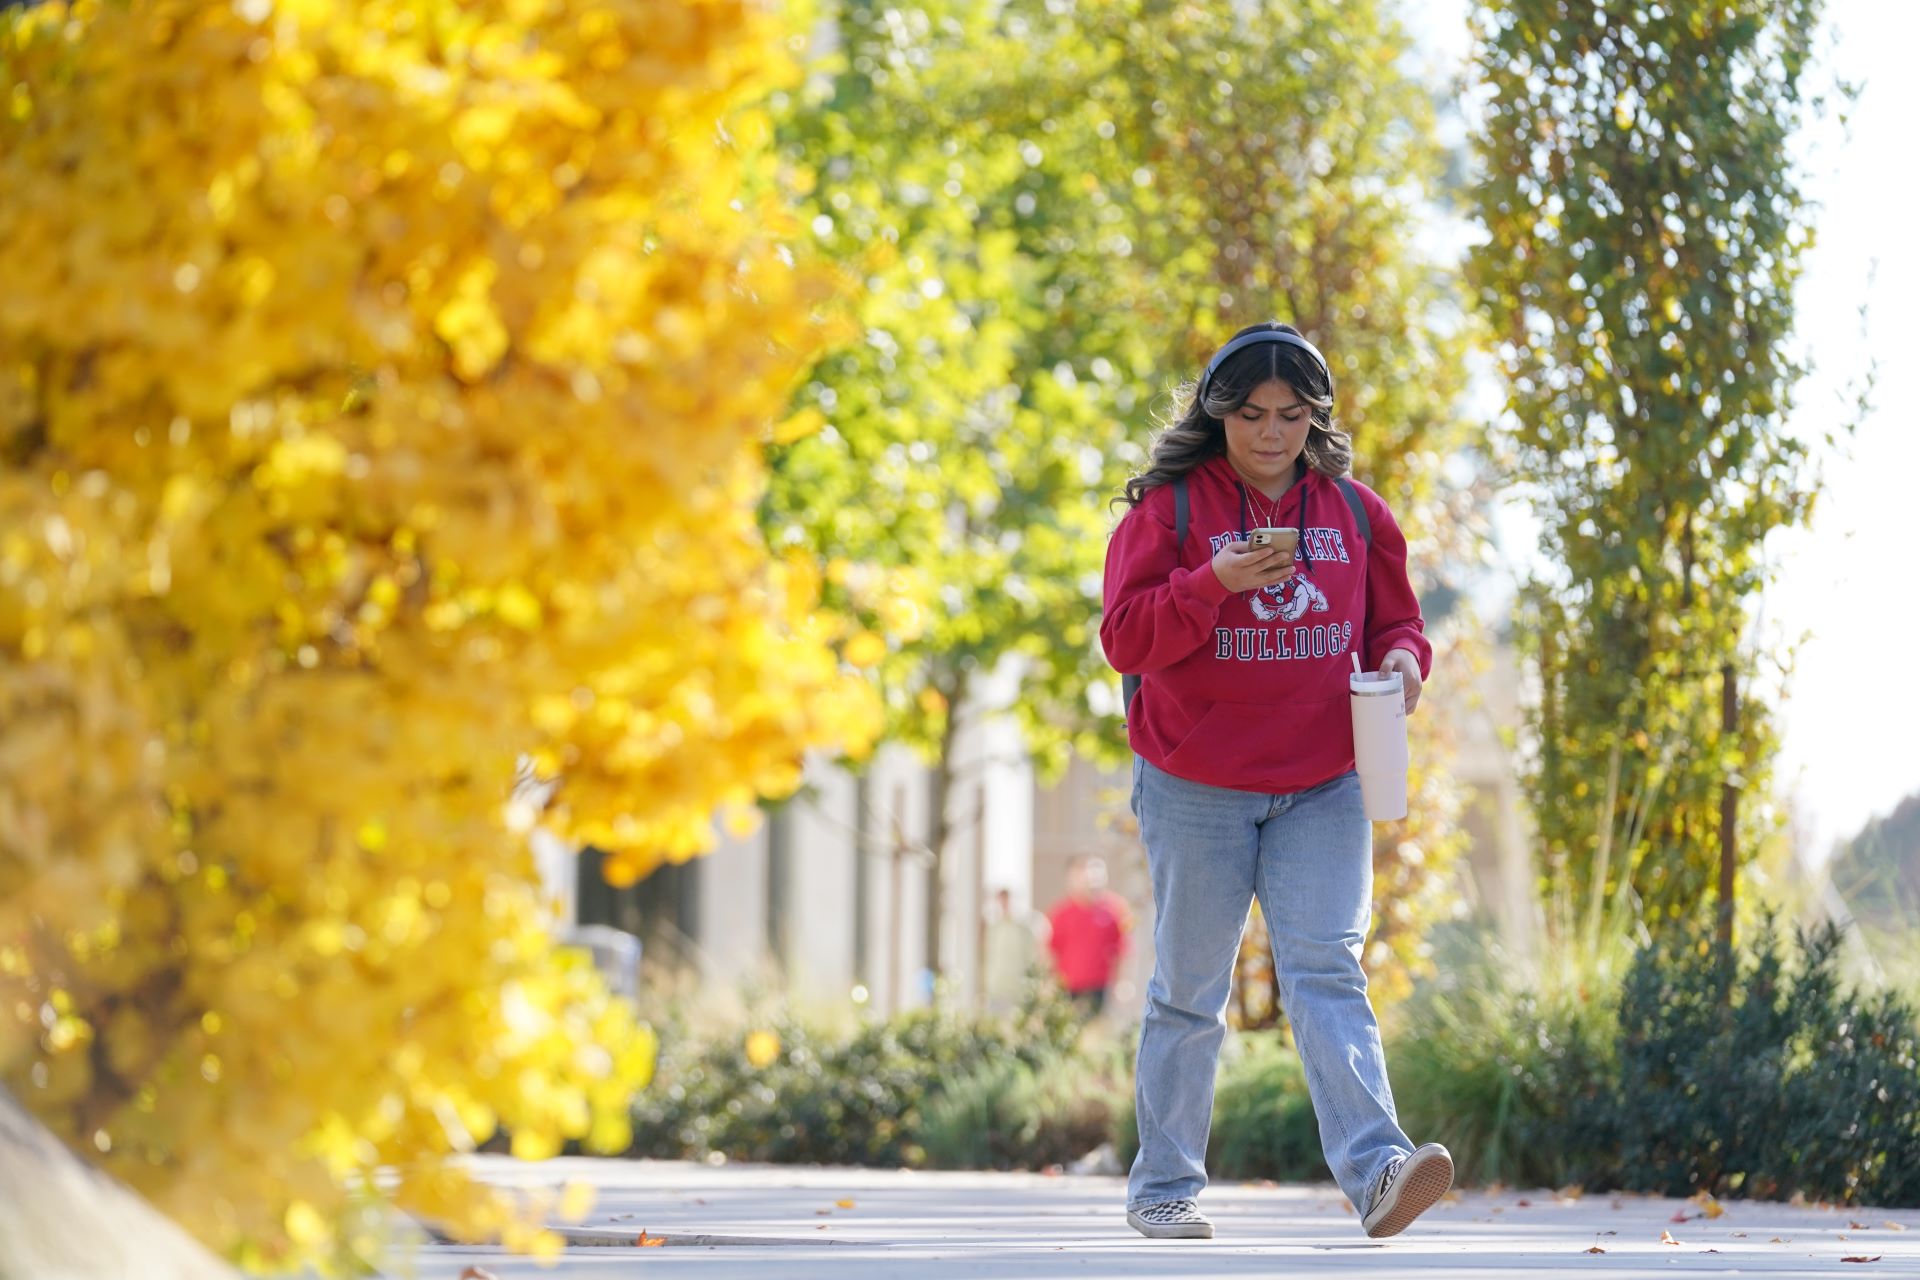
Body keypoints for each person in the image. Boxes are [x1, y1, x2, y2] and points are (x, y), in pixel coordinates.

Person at [1100, 322, 1452, 1242]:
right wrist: (1210, 582)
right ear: (1218, 415)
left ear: (1314, 418)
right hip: (1195, 783)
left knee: (1327, 969)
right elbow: (1125, 641)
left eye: (1291, 415)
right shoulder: (1168, 512)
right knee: (1189, 988)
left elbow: (1397, 626)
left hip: (1323, 783)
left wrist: (1407, 665)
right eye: (1250, 414)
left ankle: (1379, 1171)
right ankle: (1162, 1189)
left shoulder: (1355, 512)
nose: (1269, 433)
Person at [1044, 855, 1131, 1015]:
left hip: (1101, 987)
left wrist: (1121, 983)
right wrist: (1051, 984)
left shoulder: (1115, 909)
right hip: (1068, 988)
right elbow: (1052, 950)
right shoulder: (1061, 912)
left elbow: (1121, 951)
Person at [982, 886, 1046, 1013]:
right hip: (996, 990)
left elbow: (1033, 959)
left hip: (1018, 991)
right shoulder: (993, 929)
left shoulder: (1024, 930)